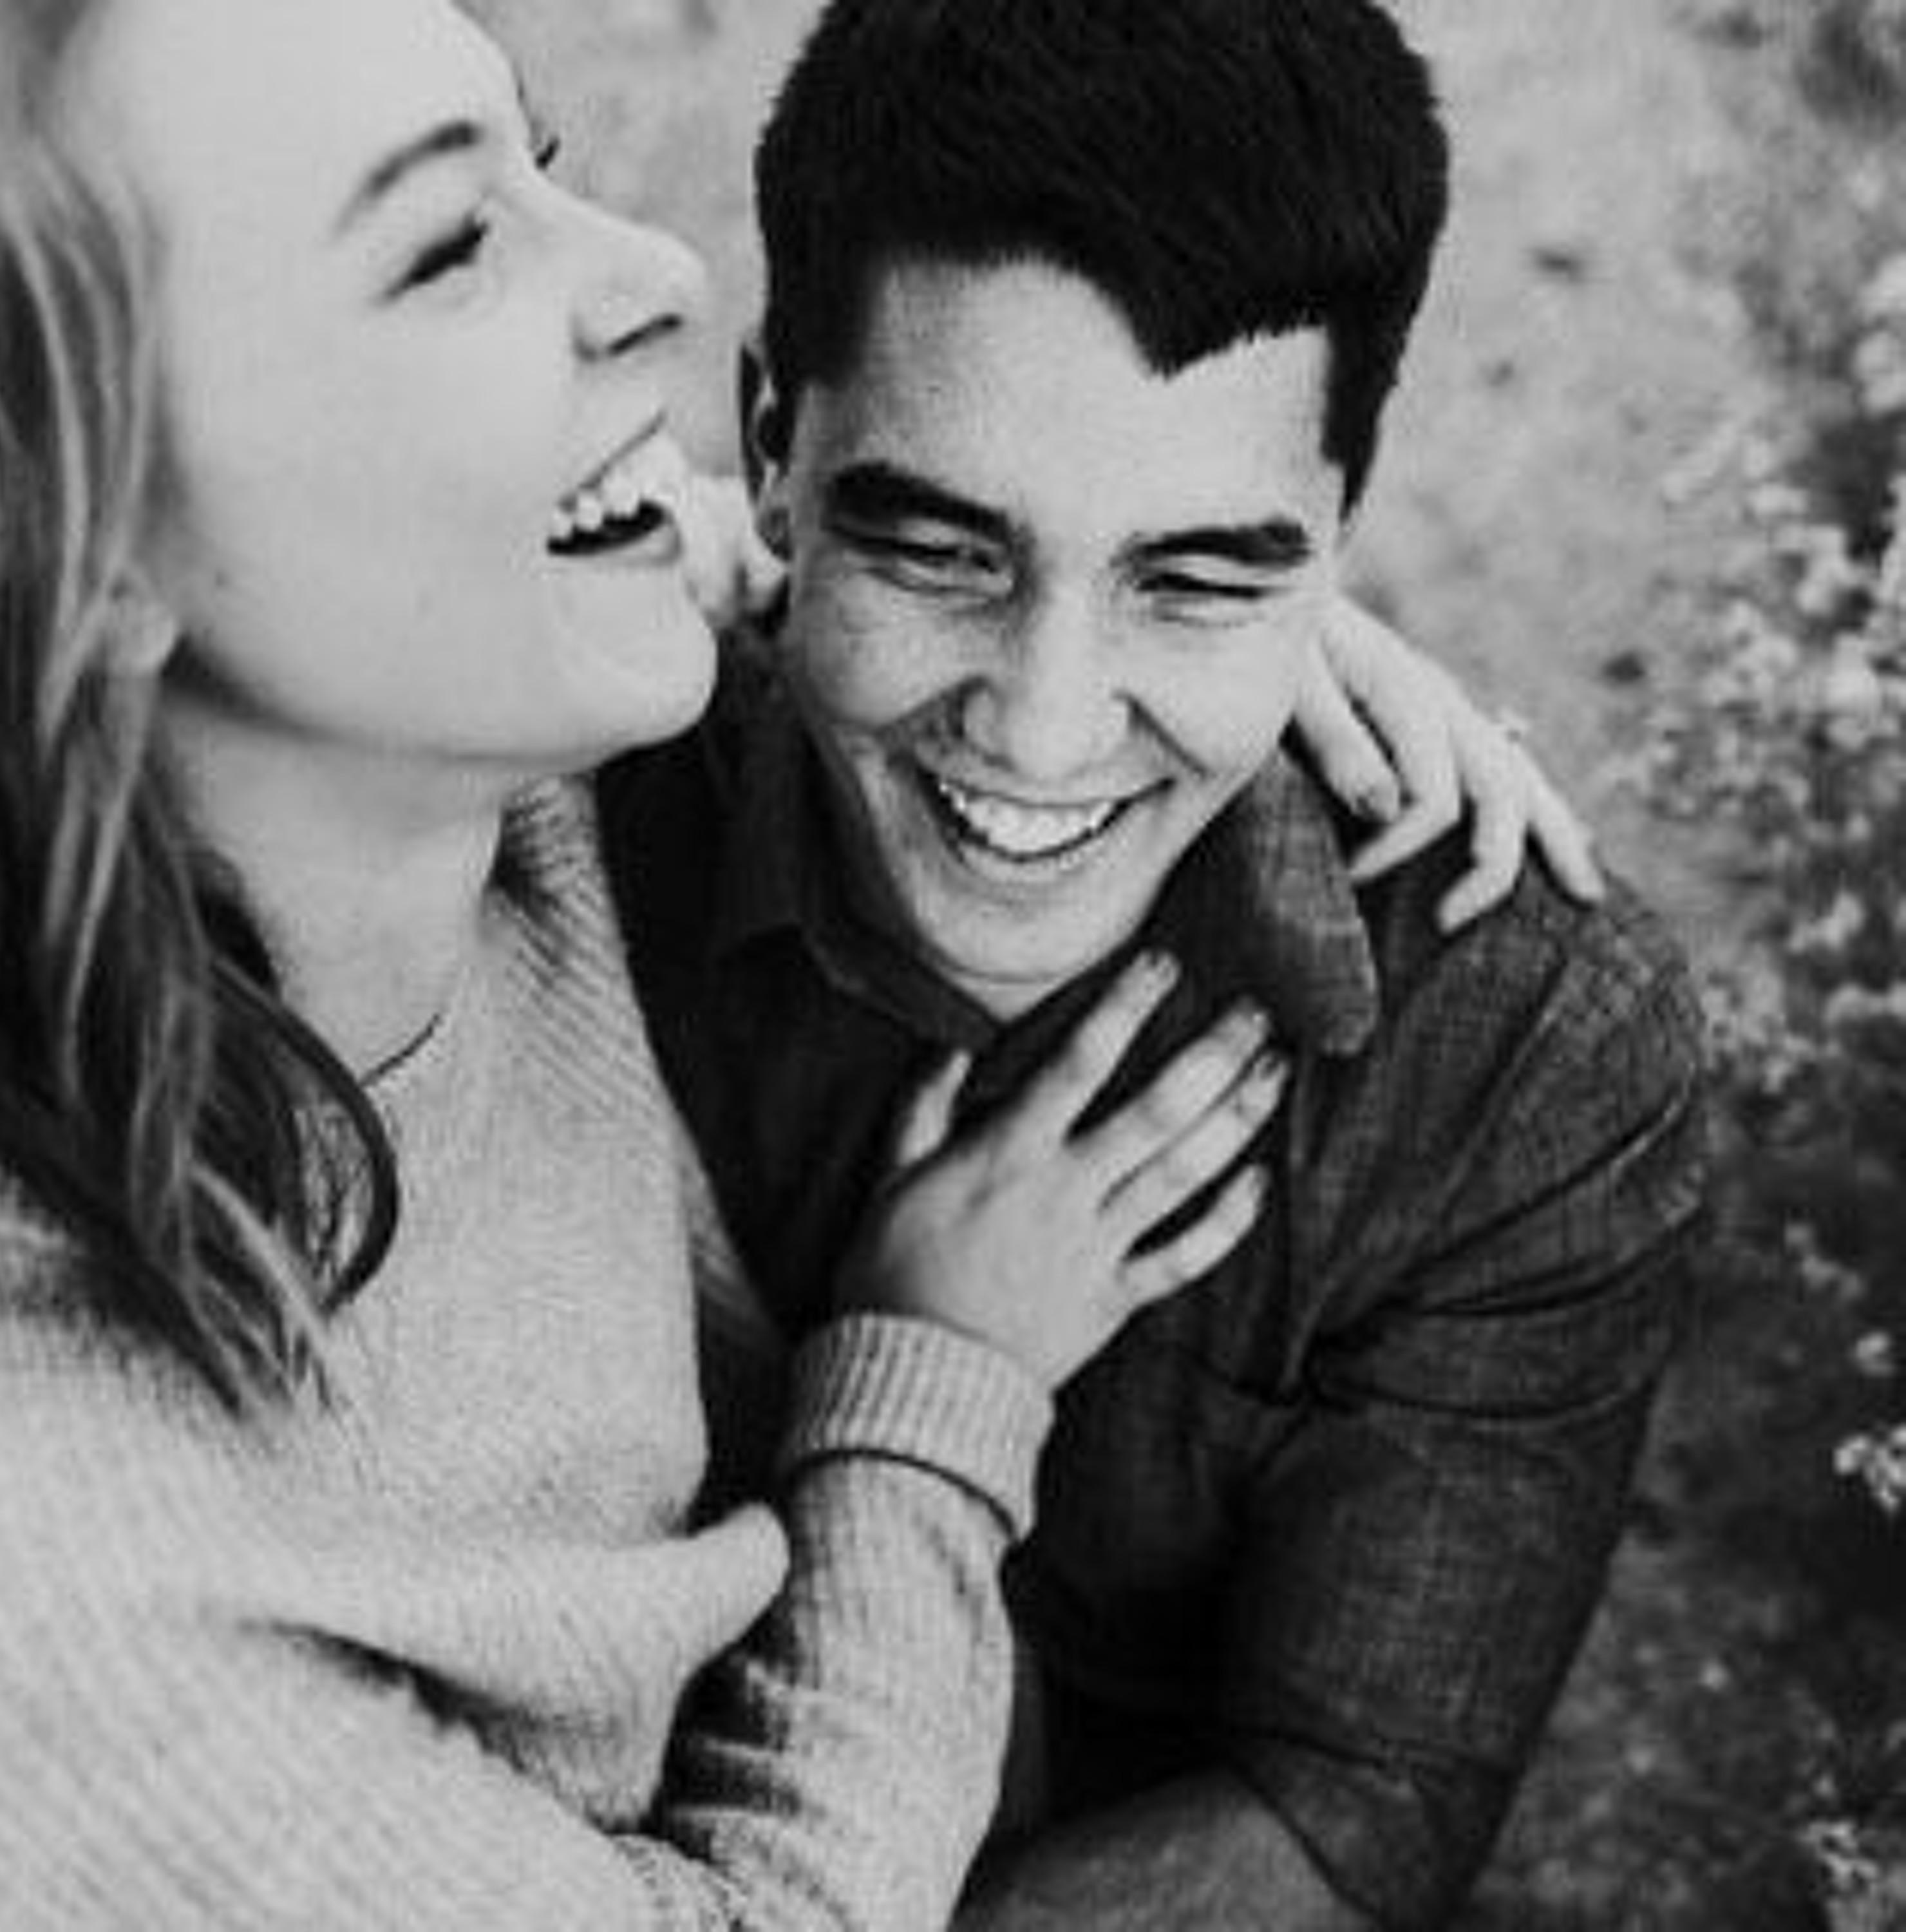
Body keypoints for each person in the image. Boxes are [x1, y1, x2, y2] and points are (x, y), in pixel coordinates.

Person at [0, 0, 1348, 1923]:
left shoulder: (436, 710)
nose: (661, 273)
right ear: (69, 542)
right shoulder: (56, 1597)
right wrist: (935, 1390)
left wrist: (1216, 618)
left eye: (537, 166)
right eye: (449, 244)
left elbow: (716, 541)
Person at [599, 2, 1709, 1927]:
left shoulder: (1522, 1042)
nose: (1043, 730)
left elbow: (1346, 1813)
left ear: (1337, 533)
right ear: (772, 446)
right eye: (942, 552)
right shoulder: (543, 785)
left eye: (1194, 577)